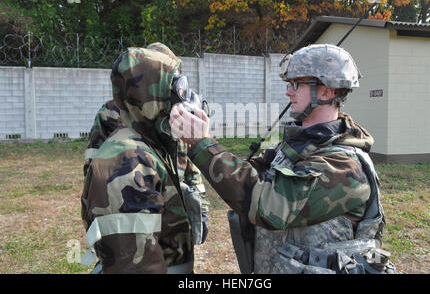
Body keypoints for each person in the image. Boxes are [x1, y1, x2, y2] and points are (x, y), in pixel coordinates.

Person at [169, 44, 396, 274]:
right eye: (289, 84)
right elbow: (248, 175)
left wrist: (201, 143)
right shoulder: (299, 147)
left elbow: (268, 204)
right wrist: (200, 134)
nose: (288, 92)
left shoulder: (343, 167)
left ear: (327, 92)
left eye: (296, 84)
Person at [81, 43, 208, 274]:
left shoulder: (162, 129)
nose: (180, 95)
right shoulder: (125, 157)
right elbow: (135, 261)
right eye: (173, 83)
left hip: (170, 235)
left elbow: (186, 163)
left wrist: (198, 202)